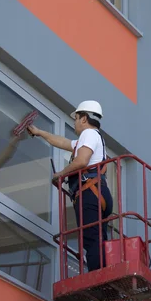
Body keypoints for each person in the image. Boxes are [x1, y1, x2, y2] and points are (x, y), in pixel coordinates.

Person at [27, 100, 113, 272]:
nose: (74, 122)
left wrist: (61, 174)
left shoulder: (88, 134)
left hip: (90, 192)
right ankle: (104, 275)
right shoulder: (92, 137)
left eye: (76, 118)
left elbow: (81, 161)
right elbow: (62, 142)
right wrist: (39, 133)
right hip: (98, 192)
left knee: (91, 238)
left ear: (84, 118)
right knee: (98, 238)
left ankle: (98, 279)